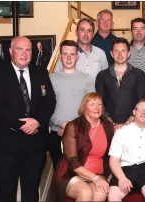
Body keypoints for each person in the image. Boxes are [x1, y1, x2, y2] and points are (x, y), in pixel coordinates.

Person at [0, 36, 56, 202]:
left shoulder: (41, 73)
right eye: (19, 49)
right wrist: (23, 125)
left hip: (34, 145)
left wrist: (37, 122)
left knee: (31, 193)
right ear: (10, 51)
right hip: (6, 145)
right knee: (6, 192)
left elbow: (49, 101)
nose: (24, 54)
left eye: (28, 50)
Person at [52, 92, 114, 201]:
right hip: (71, 174)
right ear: (84, 107)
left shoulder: (107, 125)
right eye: (92, 104)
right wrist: (95, 178)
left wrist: (108, 175)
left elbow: (111, 154)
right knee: (85, 193)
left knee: (101, 193)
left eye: (99, 104)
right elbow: (73, 161)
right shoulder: (73, 126)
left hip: (98, 173)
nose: (97, 107)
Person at [49, 40, 95, 169]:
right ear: (60, 56)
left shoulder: (87, 79)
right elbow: (46, 107)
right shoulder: (50, 79)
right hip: (57, 133)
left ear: (77, 56)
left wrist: (71, 128)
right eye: (65, 54)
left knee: (81, 173)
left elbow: (91, 107)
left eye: (72, 54)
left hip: (82, 133)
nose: (69, 58)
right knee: (60, 174)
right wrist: (62, 124)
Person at [108, 99, 145, 201]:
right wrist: (122, 178)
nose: (143, 113)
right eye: (140, 110)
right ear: (134, 112)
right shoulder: (121, 132)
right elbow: (113, 160)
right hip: (125, 169)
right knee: (113, 197)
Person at [95, 37, 145, 130]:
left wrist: (127, 124)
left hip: (133, 126)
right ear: (111, 53)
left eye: (123, 51)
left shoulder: (139, 75)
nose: (119, 54)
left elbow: (141, 102)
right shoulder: (102, 76)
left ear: (129, 53)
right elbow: (99, 102)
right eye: (116, 51)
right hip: (108, 126)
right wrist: (109, 122)